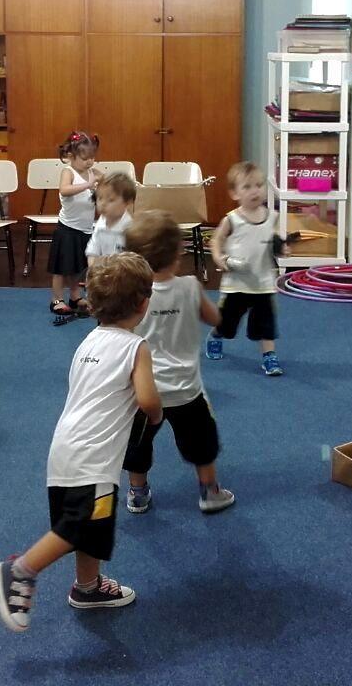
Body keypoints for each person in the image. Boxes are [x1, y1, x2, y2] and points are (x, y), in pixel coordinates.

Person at [0, 252, 162, 633]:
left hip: (65, 451)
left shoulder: (89, 340)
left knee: (92, 530)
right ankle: (21, 570)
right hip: (95, 461)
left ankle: (87, 587)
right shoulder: (137, 348)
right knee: (81, 527)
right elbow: (149, 400)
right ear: (144, 303)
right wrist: (155, 416)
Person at [121, 210, 235, 515]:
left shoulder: (133, 295)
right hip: (187, 390)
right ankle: (210, 492)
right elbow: (215, 319)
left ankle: (137, 492)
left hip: (142, 393)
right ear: (177, 253)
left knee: (137, 445)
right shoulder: (189, 287)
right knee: (202, 445)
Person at [207, 162, 285, 377]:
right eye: (247, 187)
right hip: (237, 284)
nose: (255, 191)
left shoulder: (272, 217)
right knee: (227, 322)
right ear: (234, 193)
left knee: (266, 322)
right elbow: (216, 240)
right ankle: (217, 334)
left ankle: (269, 356)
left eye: (259, 185)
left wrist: (281, 249)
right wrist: (218, 257)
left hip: (263, 283)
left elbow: (273, 243)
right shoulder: (232, 219)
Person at [47, 129, 103, 317]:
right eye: (84, 158)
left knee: (79, 267)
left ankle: (75, 296)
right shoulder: (68, 172)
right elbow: (64, 190)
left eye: (92, 158)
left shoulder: (92, 172)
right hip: (67, 229)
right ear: (70, 156)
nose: (89, 162)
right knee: (61, 268)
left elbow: (105, 182)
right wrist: (88, 185)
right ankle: (57, 299)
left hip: (85, 229)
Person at [85, 171, 136, 266]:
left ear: (128, 202)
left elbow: (132, 261)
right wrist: (93, 266)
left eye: (111, 200)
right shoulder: (101, 222)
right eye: (100, 198)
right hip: (103, 272)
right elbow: (92, 250)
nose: (103, 204)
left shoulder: (130, 228)